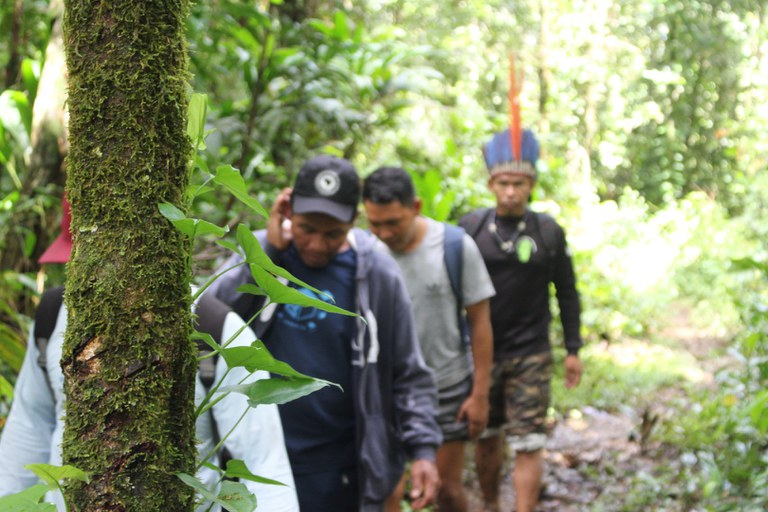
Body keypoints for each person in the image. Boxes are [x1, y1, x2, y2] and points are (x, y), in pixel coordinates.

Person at [0, 197, 300, 512]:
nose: (92, 281)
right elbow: (29, 428)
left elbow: (263, 466)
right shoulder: (52, 317)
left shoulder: (216, 329)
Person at [206, 155, 442, 511]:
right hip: (254, 460)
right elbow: (209, 320)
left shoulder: (377, 274)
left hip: (339, 465)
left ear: (354, 221)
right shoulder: (257, 254)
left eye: (333, 233)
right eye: (306, 229)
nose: (317, 244)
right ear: (287, 211)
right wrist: (266, 255)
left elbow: (407, 370)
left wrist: (422, 450)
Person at [458, 128, 583, 512]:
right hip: (482, 354)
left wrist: (573, 349)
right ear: (491, 184)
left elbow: (566, 291)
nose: (511, 191)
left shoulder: (547, 231)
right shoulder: (471, 228)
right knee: (487, 436)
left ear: (531, 185)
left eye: (519, 183)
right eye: (503, 183)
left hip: (532, 352)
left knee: (529, 440)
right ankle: (492, 503)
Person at [361, 166, 494, 512]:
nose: (384, 233)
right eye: (375, 223)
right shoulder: (365, 253)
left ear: (416, 207)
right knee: (388, 489)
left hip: (446, 386)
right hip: (385, 389)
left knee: (447, 491)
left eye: (393, 222)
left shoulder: (453, 246)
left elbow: (480, 322)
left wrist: (480, 394)